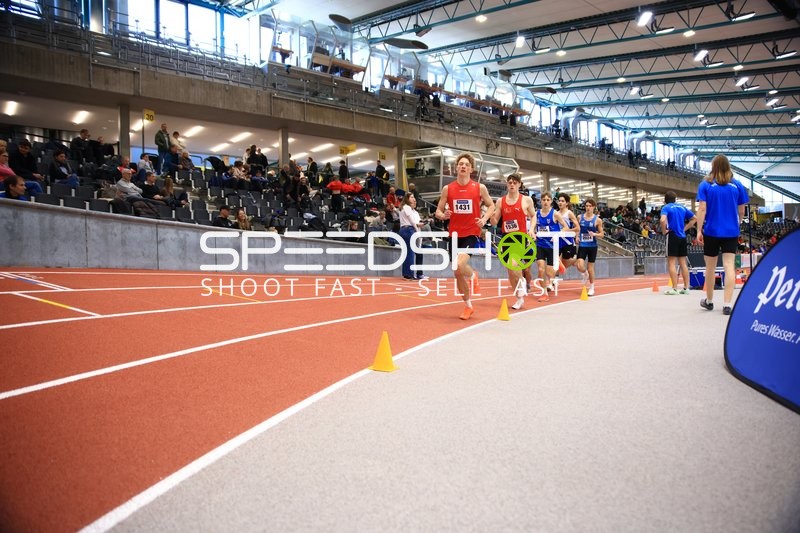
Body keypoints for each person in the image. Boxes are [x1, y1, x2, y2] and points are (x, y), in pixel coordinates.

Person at [434, 152, 495, 320]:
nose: (463, 166)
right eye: (460, 164)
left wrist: (483, 219)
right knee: (456, 270)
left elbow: (491, 206)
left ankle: (472, 275)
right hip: (454, 233)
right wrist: (443, 214)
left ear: (471, 169)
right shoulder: (448, 189)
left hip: (471, 232)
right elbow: (438, 211)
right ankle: (468, 305)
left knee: (459, 264)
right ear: (456, 168)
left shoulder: (479, 188)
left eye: (466, 164)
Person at [695, 154, 749, 315]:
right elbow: (741, 210)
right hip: (731, 231)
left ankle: (709, 301)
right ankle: (727, 304)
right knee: (729, 265)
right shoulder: (737, 185)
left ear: (713, 167)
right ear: (728, 166)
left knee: (710, 267)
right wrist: (737, 222)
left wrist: (699, 229)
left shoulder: (706, 184)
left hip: (711, 230)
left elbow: (702, 208)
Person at [490, 173, 536, 310]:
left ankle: (522, 281)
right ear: (507, 184)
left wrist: (532, 229)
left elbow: (533, 216)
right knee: (510, 271)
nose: (512, 184)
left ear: (519, 184)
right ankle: (519, 298)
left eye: (514, 182)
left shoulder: (526, 200)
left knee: (514, 263)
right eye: (509, 182)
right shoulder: (500, 201)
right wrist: (490, 216)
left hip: (521, 238)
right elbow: (494, 221)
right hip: (506, 239)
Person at [532, 192, 568, 302]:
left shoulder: (555, 214)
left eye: (548, 200)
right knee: (540, 269)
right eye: (543, 200)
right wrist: (532, 232)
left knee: (549, 272)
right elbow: (532, 227)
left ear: (551, 201)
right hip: (540, 245)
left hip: (552, 246)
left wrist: (557, 234)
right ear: (541, 201)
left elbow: (566, 227)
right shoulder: (537, 214)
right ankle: (544, 293)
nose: (546, 202)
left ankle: (558, 263)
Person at [660, 191, 696, 295]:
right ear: (675, 199)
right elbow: (694, 219)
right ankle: (686, 287)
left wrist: (664, 231)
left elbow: (663, 220)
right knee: (683, 263)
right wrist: (684, 229)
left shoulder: (666, 207)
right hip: (682, 236)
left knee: (671, 262)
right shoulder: (682, 207)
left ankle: (675, 288)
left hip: (672, 235)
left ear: (665, 200)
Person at [575, 198, 604, 296]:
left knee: (590, 267)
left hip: (592, 246)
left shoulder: (597, 220)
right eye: (586, 206)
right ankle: (585, 273)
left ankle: (592, 287)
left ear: (593, 207)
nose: (588, 208)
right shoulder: (580, 217)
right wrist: (577, 236)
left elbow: (602, 234)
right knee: (579, 265)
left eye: (590, 206)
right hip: (582, 245)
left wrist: (594, 234)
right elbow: (577, 229)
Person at [399, 193, 428, 280]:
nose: (413, 199)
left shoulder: (408, 209)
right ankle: (410, 274)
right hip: (409, 229)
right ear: (407, 199)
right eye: (412, 197)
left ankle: (407, 274)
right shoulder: (406, 207)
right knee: (410, 252)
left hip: (407, 229)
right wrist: (416, 227)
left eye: (414, 197)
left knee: (408, 252)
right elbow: (411, 221)